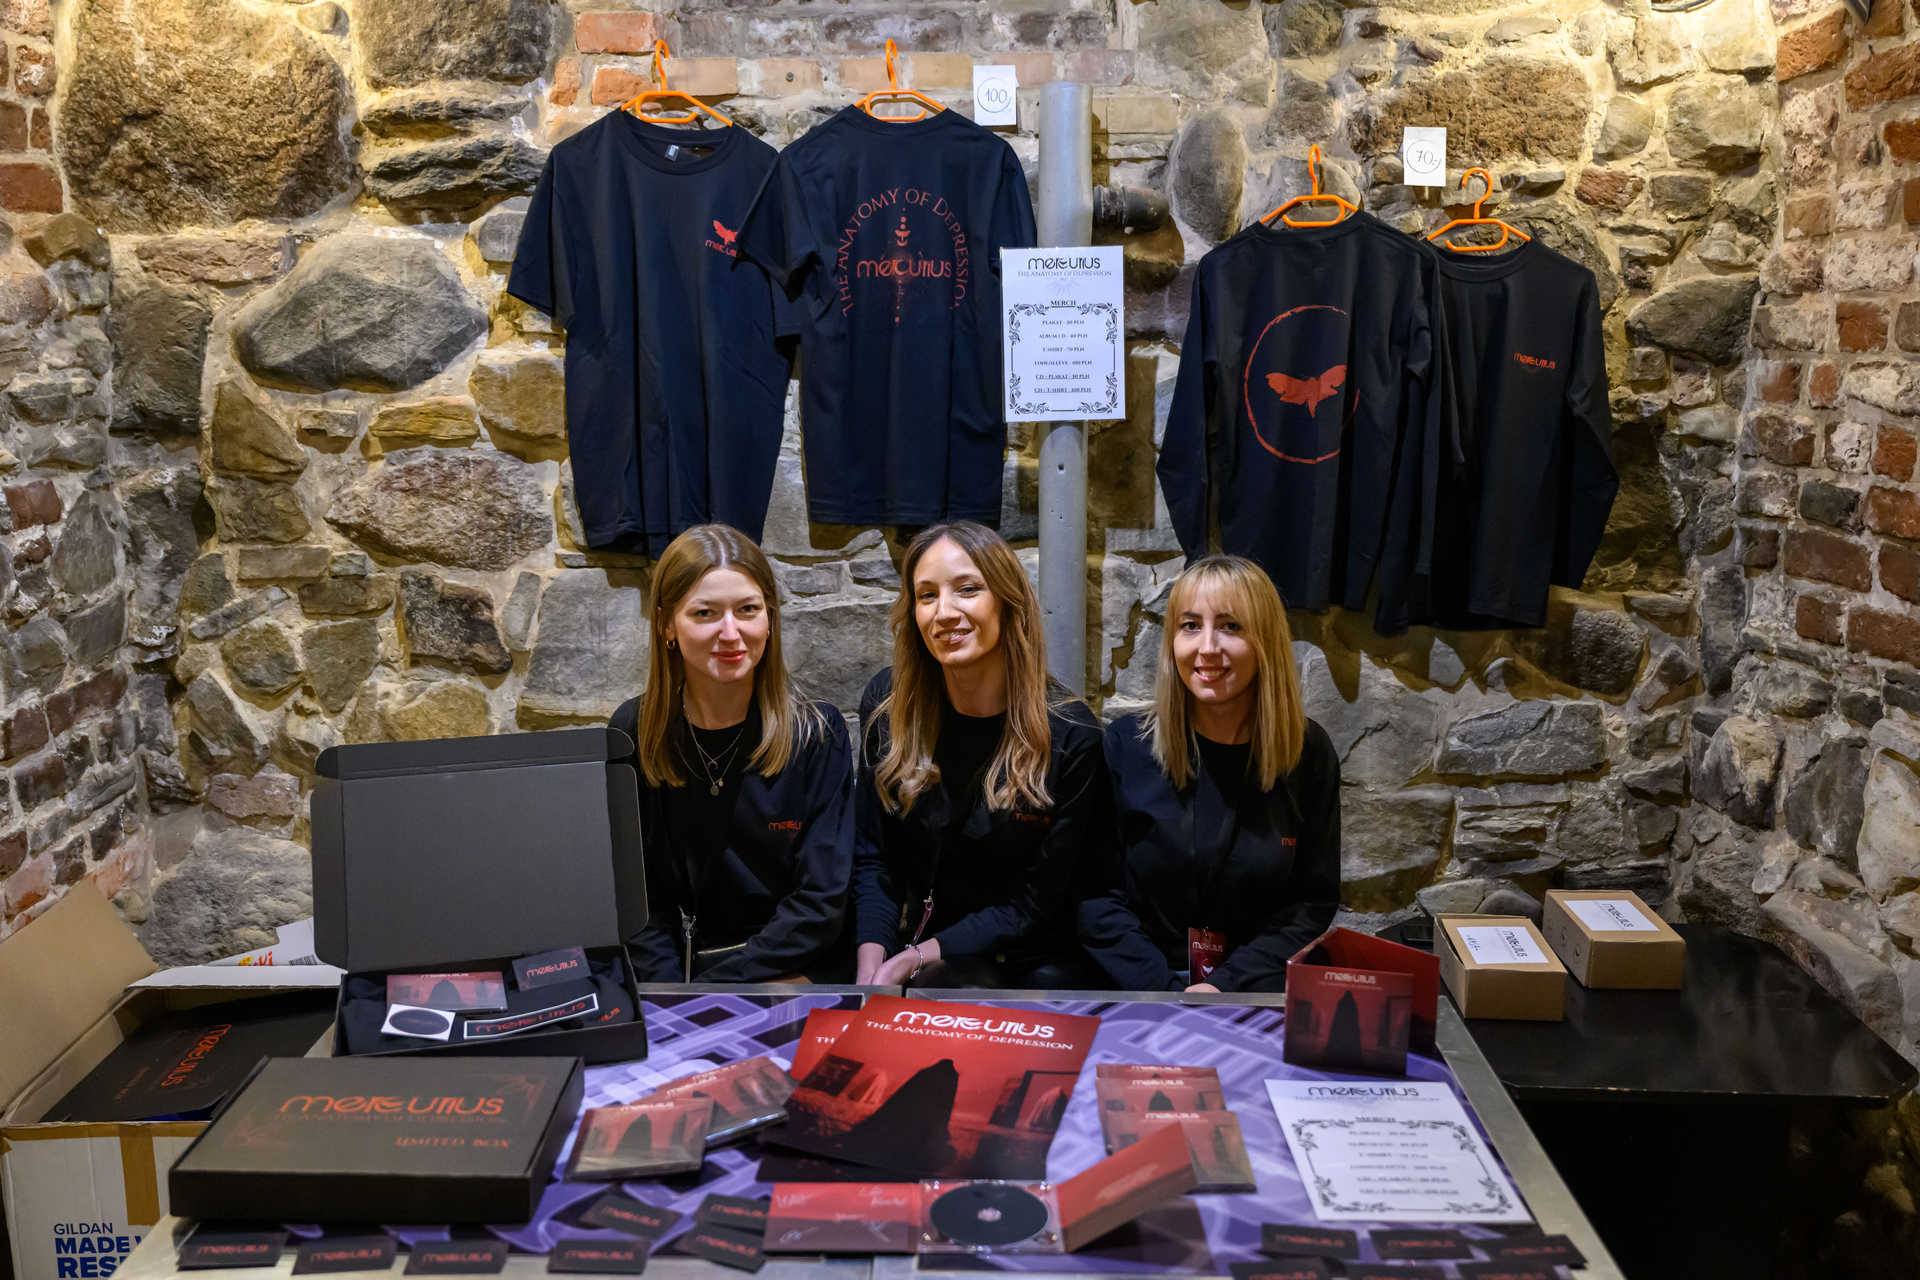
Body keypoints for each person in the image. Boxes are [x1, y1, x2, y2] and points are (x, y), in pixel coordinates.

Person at [852, 522, 1107, 988]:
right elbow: (875, 859)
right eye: (927, 596)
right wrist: (871, 962)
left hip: (1032, 966)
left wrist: (914, 960)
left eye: (968, 590)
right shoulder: (889, 706)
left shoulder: (1071, 734)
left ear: (1009, 603)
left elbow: (1035, 902)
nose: (944, 612)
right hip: (917, 960)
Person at [1080, 555, 1340, 993]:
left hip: (1252, 986)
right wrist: (1166, 994)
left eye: (1230, 626)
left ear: (1266, 640)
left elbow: (1311, 902)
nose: (1206, 647)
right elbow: (1095, 894)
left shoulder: (1307, 752)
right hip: (1141, 986)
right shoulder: (1126, 744)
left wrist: (1225, 987)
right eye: (1190, 626)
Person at [611, 524, 854, 983]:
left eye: (748, 610)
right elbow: (637, 897)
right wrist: (673, 995)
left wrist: (712, 991)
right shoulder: (633, 731)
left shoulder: (817, 732)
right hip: (677, 974)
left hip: (790, 972)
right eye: (705, 613)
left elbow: (820, 901)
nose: (730, 632)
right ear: (666, 624)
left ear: (770, 618)